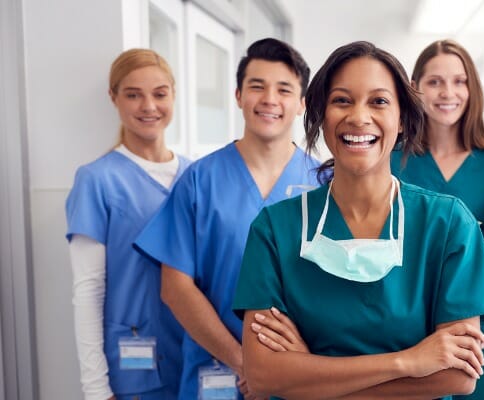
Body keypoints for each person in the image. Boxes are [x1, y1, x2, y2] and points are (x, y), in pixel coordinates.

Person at [232, 41, 484, 400]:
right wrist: (408, 361)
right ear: (318, 114)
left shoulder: (448, 223)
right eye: (342, 101)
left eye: (378, 101)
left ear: (403, 119)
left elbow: (457, 377)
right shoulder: (275, 229)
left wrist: (309, 371)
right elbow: (263, 373)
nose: (359, 117)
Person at [134, 38, 319, 400]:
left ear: (301, 104)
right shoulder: (200, 181)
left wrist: (291, 367)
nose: (269, 99)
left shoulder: (326, 185)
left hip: (302, 377)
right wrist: (243, 363)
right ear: (238, 96)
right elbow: (175, 288)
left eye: (283, 89)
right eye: (257, 86)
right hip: (217, 373)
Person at [391, 39, 484, 400]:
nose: (448, 92)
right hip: (405, 337)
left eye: (459, 81)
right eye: (435, 82)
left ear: (472, 88)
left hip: (476, 340)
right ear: (415, 88)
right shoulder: (391, 160)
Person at [65, 48, 191, 400]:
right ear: (113, 97)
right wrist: (95, 388)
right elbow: (88, 292)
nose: (148, 106)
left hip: (198, 361)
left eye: (159, 94)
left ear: (174, 95)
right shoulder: (96, 180)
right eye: (133, 95)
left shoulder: (195, 175)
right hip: (133, 374)